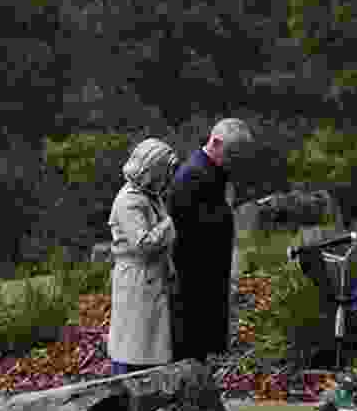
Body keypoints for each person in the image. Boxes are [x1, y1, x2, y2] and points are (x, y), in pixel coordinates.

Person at [168, 118, 254, 362]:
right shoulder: (193, 175)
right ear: (215, 142)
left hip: (206, 280)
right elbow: (185, 234)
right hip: (192, 284)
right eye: (230, 156)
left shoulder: (214, 172)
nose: (233, 164)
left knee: (199, 355)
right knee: (189, 355)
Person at [107, 138, 181, 376]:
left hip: (151, 279)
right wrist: (174, 220)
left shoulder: (150, 196)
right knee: (133, 346)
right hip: (136, 281)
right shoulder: (128, 201)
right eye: (166, 173)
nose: (168, 180)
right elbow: (143, 244)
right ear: (153, 170)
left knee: (148, 346)